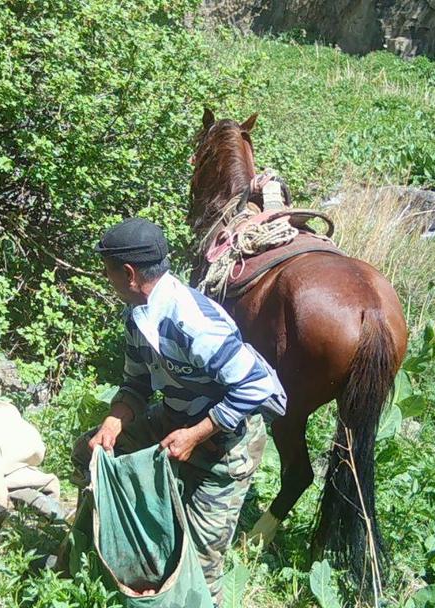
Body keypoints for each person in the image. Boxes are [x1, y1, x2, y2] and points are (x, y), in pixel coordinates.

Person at [70, 216, 288, 604]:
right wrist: (114, 418)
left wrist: (197, 434)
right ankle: (105, 548)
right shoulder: (138, 316)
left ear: (129, 273)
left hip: (228, 443)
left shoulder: (191, 321)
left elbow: (256, 384)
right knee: (88, 450)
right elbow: (135, 384)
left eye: (108, 273)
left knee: (200, 567)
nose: (108, 280)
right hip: (175, 419)